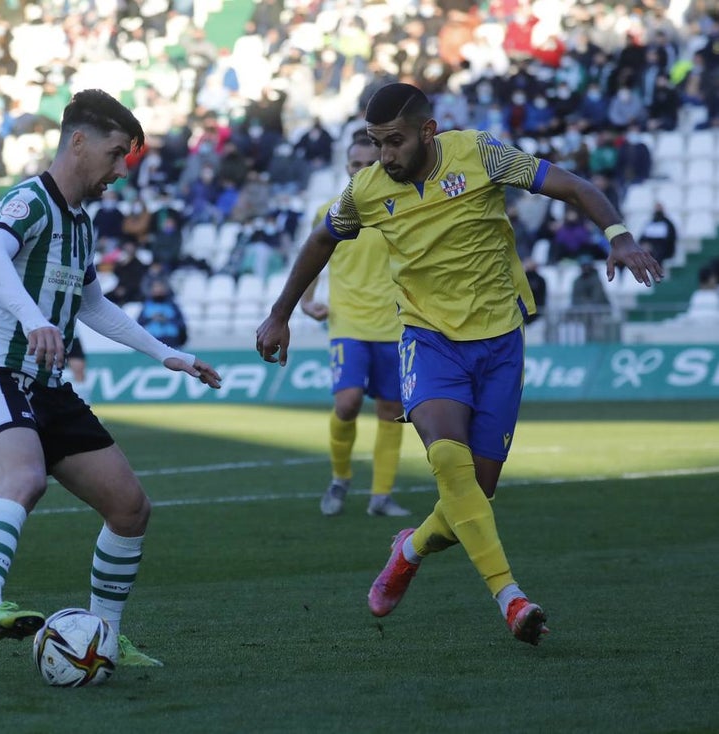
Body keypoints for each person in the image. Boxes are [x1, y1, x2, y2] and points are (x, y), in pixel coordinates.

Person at [256, 83, 662, 645]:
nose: (384, 156)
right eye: (375, 144)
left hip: (500, 341)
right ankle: (511, 598)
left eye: (393, 142)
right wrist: (281, 314)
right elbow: (320, 240)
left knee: (476, 492)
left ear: (428, 131)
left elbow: (571, 185)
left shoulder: (482, 154)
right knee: (450, 463)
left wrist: (618, 235)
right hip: (429, 340)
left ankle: (410, 548)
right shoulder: (365, 191)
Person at [0, 89, 221, 664]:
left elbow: (93, 304)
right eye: (117, 154)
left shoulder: (79, 224)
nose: (120, 171)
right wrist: (34, 318)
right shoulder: (27, 202)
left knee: (130, 506)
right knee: (24, 480)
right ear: (78, 142)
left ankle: (103, 640)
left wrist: (163, 353)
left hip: (48, 387)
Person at [298, 135, 410, 519]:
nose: (361, 171)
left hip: (394, 327)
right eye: (354, 165)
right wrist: (306, 300)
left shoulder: (400, 210)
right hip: (347, 322)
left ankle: (381, 495)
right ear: (346, 168)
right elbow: (312, 255)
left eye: (368, 164)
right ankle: (340, 477)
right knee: (346, 403)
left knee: (392, 409)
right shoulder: (331, 211)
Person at [136, 278, 188, 348]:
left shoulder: (172, 305)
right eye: (156, 287)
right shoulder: (147, 305)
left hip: (171, 341)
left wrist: (167, 319)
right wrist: (151, 318)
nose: (158, 290)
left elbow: (181, 323)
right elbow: (140, 323)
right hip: (152, 341)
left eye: (160, 287)